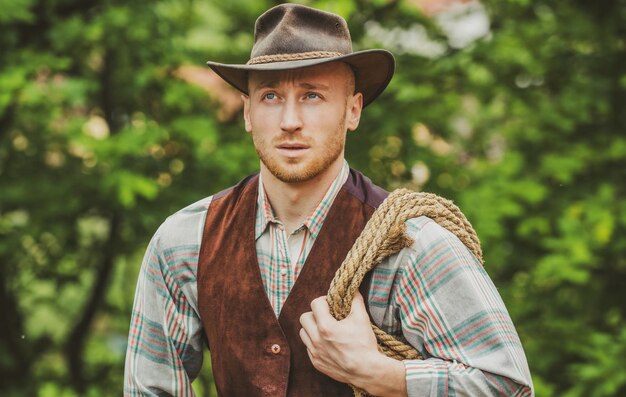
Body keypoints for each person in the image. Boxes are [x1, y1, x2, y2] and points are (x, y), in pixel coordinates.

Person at [124, 4, 533, 396]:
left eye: (312, 95)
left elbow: (507, 385)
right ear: (247, 112)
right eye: (270, 96)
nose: (289, 121)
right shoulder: (184, 243)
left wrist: (379, 374)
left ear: (352, 110)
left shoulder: (410, 243)